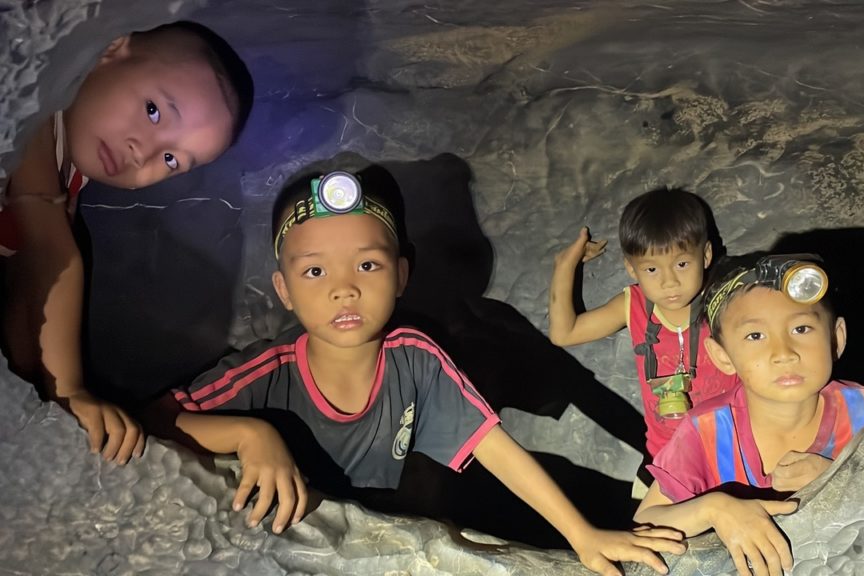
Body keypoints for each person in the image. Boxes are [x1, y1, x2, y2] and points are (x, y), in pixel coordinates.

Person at [163, 166, 687, 576]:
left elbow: (495, 447)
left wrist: (584, 535)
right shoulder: (265, 374)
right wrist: (249, 434)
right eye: (315, 271)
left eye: (367, 265)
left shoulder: (414, 354)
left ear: (401, 274)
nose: (343, 288)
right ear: (283, 290)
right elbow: (156, 420)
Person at [0, 21, 253, 466]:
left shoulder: (69, 174)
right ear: (112, 48)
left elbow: (29, 280)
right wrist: (70, 392)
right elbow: (51, 253)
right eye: (154, 111)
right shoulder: (36, 110)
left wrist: (31, 387)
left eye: (172, 160)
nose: (145, 152)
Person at [634, 254, 864, 576]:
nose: (783, 353)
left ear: (836, 339)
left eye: (801, 328)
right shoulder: (710, 429)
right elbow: (647, 520)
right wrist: (716, 509)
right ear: (722, 356)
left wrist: (839, 481)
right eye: (755, 336)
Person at [548, 188, 740, 490]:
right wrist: (565, 266)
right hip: (664, 455)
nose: (669, 282)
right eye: (651, 269)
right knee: (648, 531)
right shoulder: (633, 305)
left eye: (681, 264)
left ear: (705, 256)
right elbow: (564, 333)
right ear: (631, 268)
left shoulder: (728, 300)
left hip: (731, 450)